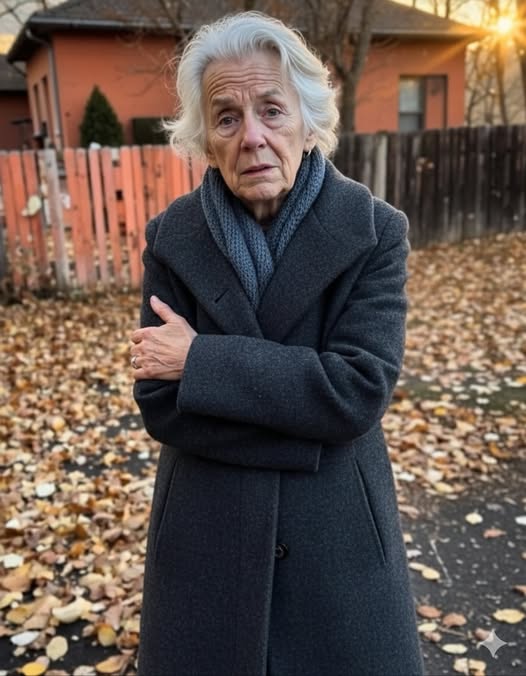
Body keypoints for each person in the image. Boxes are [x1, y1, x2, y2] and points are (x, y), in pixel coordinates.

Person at [130, 11, 424, 676]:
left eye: (271, 109)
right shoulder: (172, 237)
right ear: (206, 140)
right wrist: (310, 426)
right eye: (227, 118)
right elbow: (160, 403)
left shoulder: (375, 232)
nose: (253, 137)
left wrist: (200, 361)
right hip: (205, 542)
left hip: (338, 545)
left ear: (308, 120)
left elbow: (357, 391)